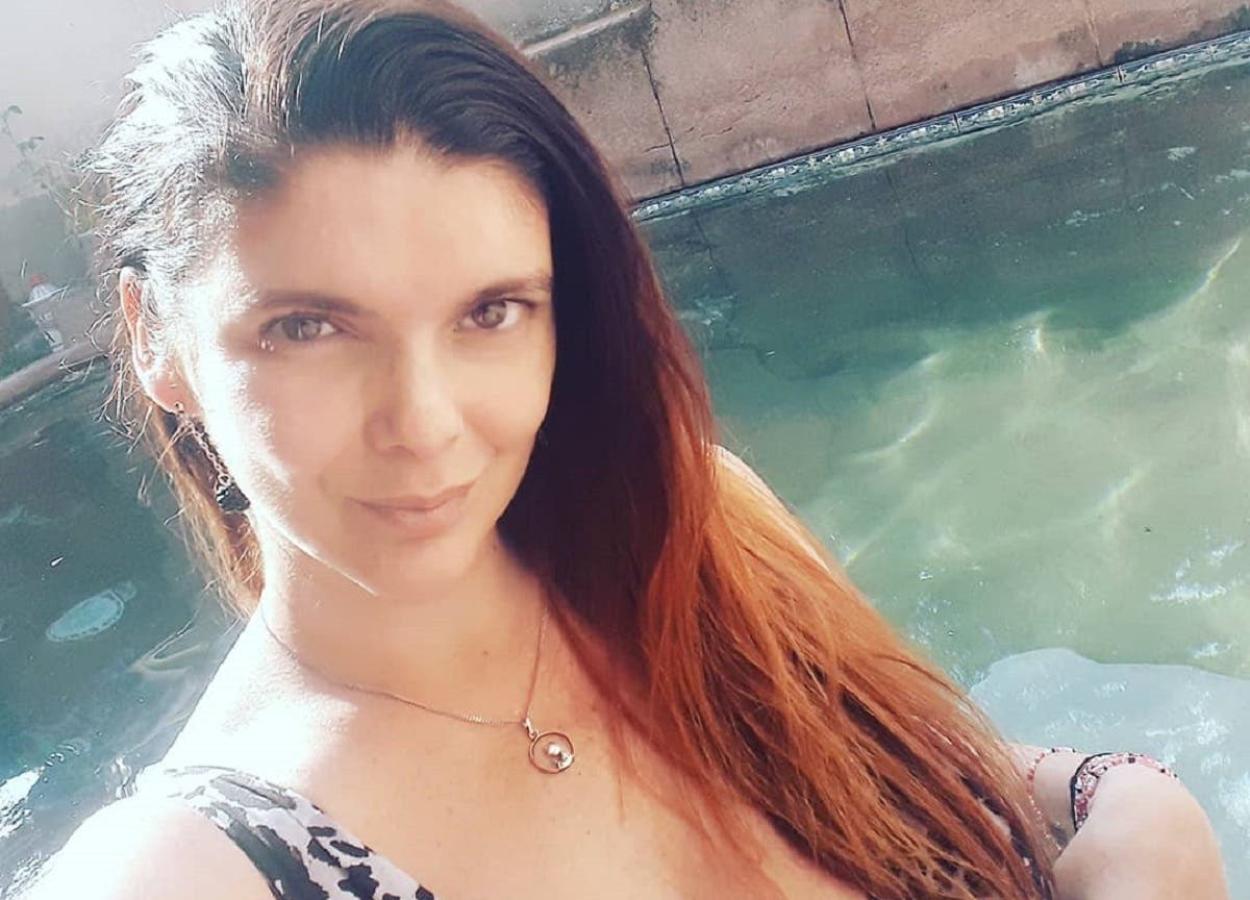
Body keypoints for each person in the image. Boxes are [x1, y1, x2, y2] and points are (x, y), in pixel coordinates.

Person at [22, 1, 1228, 897]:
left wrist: (1136, 813)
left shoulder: (686, 528)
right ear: (157, 341)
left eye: (491, 312)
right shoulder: (201, 869)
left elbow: (959, 777)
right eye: (307, 328)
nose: (424, 422)